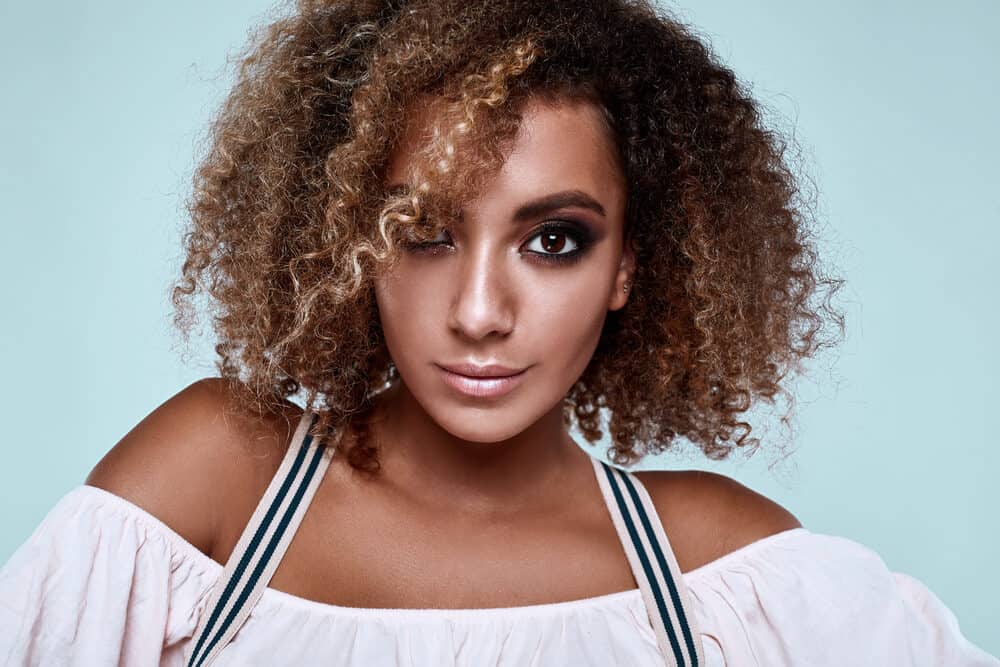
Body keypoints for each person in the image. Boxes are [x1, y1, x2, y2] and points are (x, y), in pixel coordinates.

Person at [1, 0, 996, 665]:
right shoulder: (220, 483)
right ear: (352, 243)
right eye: (423, 234)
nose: (478, 312)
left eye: (554, 240)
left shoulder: (725, 576)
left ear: (629, 269)